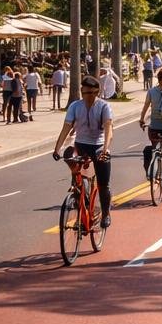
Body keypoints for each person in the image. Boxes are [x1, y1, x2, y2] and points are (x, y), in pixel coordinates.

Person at [51, 77, 115, 229]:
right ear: (82, 92)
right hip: (81, 144)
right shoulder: (75, 106)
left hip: (98, 145)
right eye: (86, 93)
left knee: (103, 184)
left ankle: (106, 213)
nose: (89, 96)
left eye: (93, 93)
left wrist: (105, 149)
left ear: (98, 92)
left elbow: (108, 129)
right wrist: (57, 148)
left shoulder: (104, 106)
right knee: (69, 157)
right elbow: (66, 127)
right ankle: (80, 197)